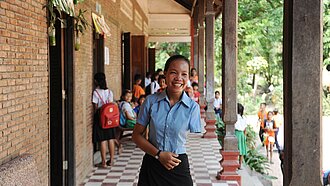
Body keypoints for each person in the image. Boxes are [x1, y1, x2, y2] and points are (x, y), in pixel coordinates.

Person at [132, 55, 201, 186]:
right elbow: (136, 136)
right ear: (165, 74)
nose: (179, 78)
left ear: (188, 78)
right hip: (152, 163)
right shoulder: (150, 101)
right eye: (174, 72)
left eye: (184, 74)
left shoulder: (193, 108)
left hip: (177, 164)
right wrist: (158, 154)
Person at [92, 72, 116, 168]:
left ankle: (103, 162)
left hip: (100, 117)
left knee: (102, 140)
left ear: (96, 81)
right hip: (109, 118)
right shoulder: (109, 92)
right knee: (110, 138)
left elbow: (95, 106)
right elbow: (110, 104)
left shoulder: (96, 92)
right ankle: (112, 160)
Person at [235, 103, 247, 169]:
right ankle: (240, 164)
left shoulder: (235, 117)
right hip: (242, 134)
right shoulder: (243, 117)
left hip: (236, 133)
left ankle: (236, 163)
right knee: (241, 149)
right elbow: (245, 128)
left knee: (237, 149)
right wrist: (244, 136)